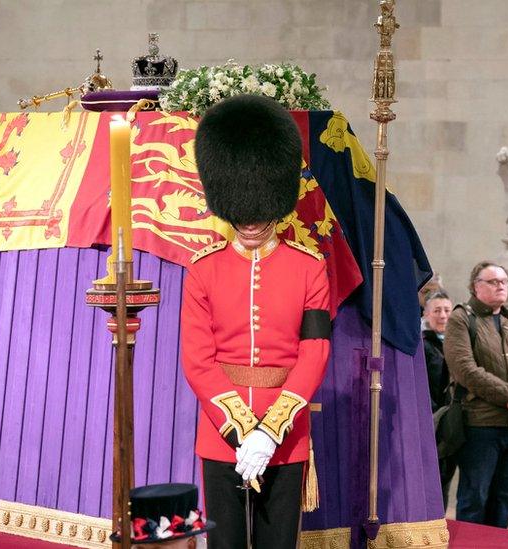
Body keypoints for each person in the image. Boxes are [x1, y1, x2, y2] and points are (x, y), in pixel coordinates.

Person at [180, 95, 331, 549]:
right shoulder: (203, 268)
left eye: (260, 210)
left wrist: (270, 430)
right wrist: (242, 428)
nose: (250, 222)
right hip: (220, 432)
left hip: (283, 437)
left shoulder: (310, 267)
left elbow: (315, 351)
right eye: (241, 212)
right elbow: (197, 360)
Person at [444, 261, 508, 528]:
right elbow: (466, 370)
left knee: (506, 498)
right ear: (475, 286)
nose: (501, 285)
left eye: (504, 281)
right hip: (482, 427)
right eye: (493, 281)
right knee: (474, 499)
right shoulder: (461, 318)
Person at [421, 290, 457, 509]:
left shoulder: (458, 344)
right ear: (426, 315)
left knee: (446, 477)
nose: (443, 316)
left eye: (447, 310)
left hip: (454, 420)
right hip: (431, 420)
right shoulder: (422, 346)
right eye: (437, 310)